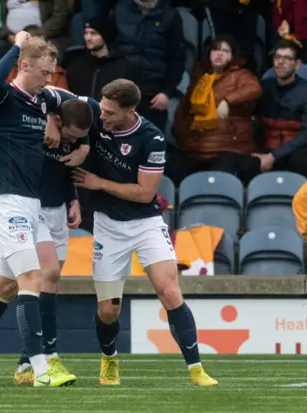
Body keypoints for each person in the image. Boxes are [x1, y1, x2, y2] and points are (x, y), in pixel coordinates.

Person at [0, 32, 82, 388]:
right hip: (7, 201)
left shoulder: (43, 99)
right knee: (32, 279)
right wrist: (17, 43)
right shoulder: (4, 94)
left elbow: (79, 103)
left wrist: (66, 128)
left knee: (5, 286)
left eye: (52, 73)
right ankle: (38, 368)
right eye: (44, 73)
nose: (49, 80)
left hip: (31, 202)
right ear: (24, 66)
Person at [71, 79, 218, 387]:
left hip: (145, 223)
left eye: (111, 112)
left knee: (169, 291)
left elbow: (144, 193)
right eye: (104, 108)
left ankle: (196, 369)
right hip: (108, 226)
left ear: (130, 111)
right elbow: (58, 98)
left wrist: (99, 183)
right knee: (108, 310)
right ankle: (109, 359)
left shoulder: (151, 138)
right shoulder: (95, 112)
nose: (103, 117)